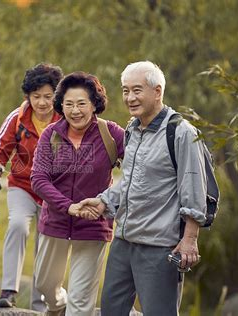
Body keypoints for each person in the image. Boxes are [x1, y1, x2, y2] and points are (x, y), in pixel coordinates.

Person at [78, 61, 207, 315]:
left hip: (159, 247)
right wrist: (104, 201)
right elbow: (131, 180)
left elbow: (194, 189)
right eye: (125, 90)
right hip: (123, 242)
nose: (129, 97)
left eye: (137, 90)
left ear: (157, 91)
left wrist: (190, 239)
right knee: (111, 311)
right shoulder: (132, 129)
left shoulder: (181, 133)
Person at [30, 71, 124, 316]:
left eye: (81, 103)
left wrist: (110, 200)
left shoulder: (111, 134)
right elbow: (38, 179)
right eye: (69, 104)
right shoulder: (51, 135)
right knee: (45, 284)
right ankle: (58, 303)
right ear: (61, 105)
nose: (75, 111)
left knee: (81, 301)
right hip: (56, 222)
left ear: (95, 104)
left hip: (94, 224)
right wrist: (68, 206)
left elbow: (140, 166)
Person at [0, 63, 63, 311]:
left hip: (53, 191)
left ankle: (40, 301)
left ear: (57, 96)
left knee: (46, 240)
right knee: (18, 225)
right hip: (23, 186)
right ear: (27, 96)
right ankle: (9, 291)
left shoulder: (66, 118)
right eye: (36, 96)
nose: (42, 103)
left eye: (48, 97)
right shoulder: (18, 117)